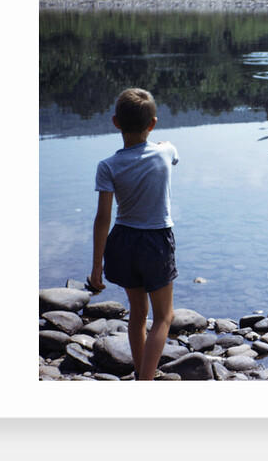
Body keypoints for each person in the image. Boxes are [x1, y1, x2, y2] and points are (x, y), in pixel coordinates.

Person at [88, 88, 180, 380]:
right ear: (152, 123)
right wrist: (160, 141)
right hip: (155, 241)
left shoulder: (108, 166)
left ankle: (141, 374)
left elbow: (103, 219)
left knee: (138, 313)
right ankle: (145, 382)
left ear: (116, 122)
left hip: (123, 241)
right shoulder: (166, 150)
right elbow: (171, 153)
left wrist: (96, 265)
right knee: (164, 316)